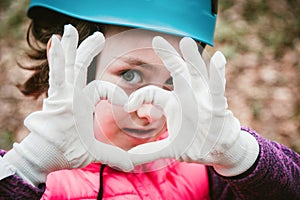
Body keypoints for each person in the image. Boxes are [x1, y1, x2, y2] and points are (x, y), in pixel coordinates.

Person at [0, 0, 299, 199]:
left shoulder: (205, 171)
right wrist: (27, 167)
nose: (150, 113)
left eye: (172, 81)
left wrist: (240, 157)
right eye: (130, 75)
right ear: (64, 60)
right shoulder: (35, 181)